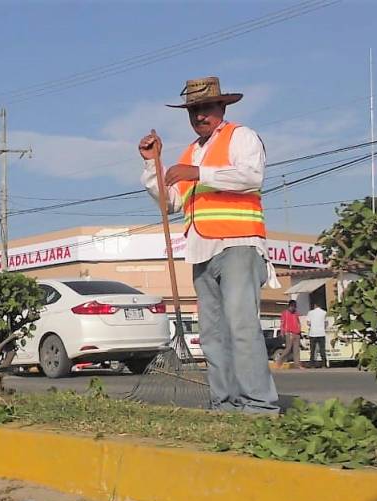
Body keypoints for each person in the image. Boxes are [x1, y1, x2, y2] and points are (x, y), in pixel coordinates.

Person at [138, 77, 279, 413]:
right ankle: (226, 403)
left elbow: (251, 176)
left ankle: (258, 404)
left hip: (238, 245)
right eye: (194, 110)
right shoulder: (190, 153)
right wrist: (151, 164)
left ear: (222, 107)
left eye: (206, 108)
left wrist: (199, 172)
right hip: (202, 250)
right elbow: (169, 203)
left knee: (241, 325)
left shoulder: (240, 137)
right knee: (213, 333)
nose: (199, 115)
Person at [277, 300, 302, 369]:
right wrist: (282, 332)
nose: (293, 308)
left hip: (296, 333)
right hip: (289, 333)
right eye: (292, 307)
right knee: (288, 349)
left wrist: (299, 330)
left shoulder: (296, 313)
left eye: (294, 307)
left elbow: (298, 322)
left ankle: (297, 365)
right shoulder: (285, 313)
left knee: (296, 350)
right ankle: (279, 361)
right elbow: (282, 324)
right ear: (289, 306)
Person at [306, 301, 328, 368]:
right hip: (321, 333)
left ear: (315, 305)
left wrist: (313, 325)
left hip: (313, 333)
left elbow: (308, 323)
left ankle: (312, 364)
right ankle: (324, 364)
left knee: (312, 350)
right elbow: (326, 323)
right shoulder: (324, 313)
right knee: (322, 349)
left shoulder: (310, 313)